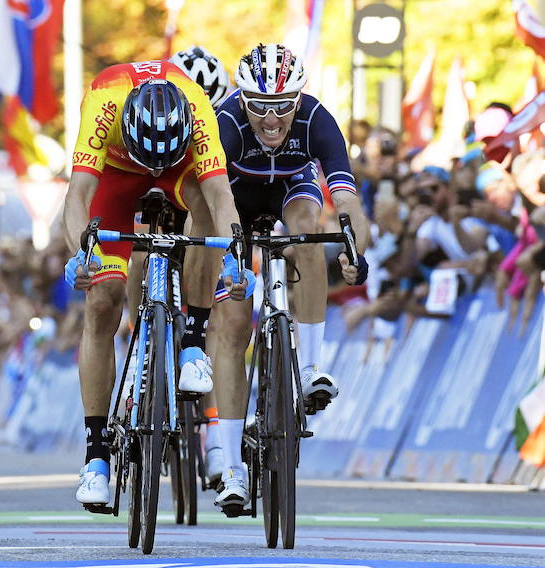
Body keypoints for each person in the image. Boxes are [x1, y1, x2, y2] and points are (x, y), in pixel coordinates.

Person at [63, 60, 255, 507]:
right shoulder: (102, 104)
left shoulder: (198, 108)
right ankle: (95, 457)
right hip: (118, 169)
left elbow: (222, 196)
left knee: (203, 213)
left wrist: (234, 257)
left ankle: (192, 339)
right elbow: (77, 197)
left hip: (180, 168)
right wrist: (82, 256)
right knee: (101, 301)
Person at [208, 44, 370, 510]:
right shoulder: (227, 125)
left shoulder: (317, 118)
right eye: (260, 108)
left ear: (299, 99)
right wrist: (232, 262)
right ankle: (233, 468)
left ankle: (309, 366)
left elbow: (348, 203)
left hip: (290, 190)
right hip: (233, 199)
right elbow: (213, 203)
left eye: (282, 107)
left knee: (306, 231)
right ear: (243, 101)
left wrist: (355, 252)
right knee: (234, 324)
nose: (272, 120)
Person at [168, 44, 232, 486]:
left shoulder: (226, 129)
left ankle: (215, 436)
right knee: (137, 263)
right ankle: (144, 354)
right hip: (161, 196)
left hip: (203, 205)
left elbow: (221, 201)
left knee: (218, 324)